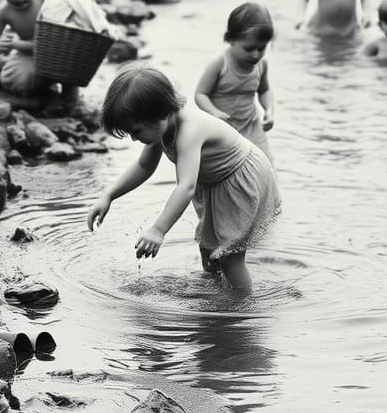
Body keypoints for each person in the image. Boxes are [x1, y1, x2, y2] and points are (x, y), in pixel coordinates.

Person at [86, 64, 281, 295]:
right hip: (216, 183)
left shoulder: (189, 131)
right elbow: (143, 166)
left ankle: (242, 306)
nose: (133, 138)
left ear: (162, 114)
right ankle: (217, 291)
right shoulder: (161, 125)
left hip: (241, 179)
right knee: (208, 250)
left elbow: (186, 187)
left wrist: (158, 230)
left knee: (230, 255)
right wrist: (109, 195)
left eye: (136, 131)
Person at [194, 3, 276, 162]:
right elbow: (200, 94)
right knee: (230, 170)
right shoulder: (220, 64)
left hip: (252, 129)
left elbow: (264, 91)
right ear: (230, 39)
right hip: (224, 130)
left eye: (261, 48)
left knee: (265, 164)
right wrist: (214, 112)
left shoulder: (261, 65)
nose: (255, 54)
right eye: (249, 48)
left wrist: (269, 111)